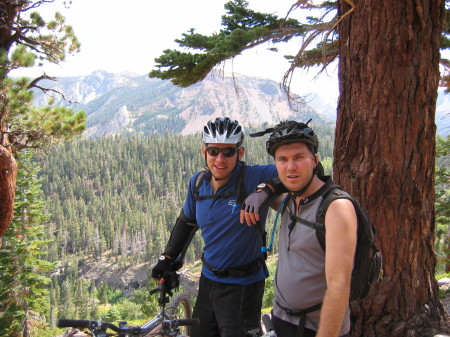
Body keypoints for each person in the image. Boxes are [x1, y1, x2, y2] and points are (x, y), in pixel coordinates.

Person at [151, 117, 277, 337]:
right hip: (209, 281)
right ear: (204, 151)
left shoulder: (252, 176)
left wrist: (264, 192)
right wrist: (168, 258)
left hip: (244, 286)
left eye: (228, 152)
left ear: (240, 152)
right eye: (213, 151)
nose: (220, 159)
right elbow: (187, 221)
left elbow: (298, 172)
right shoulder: (198, 182)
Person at [240, 120, 357, 337]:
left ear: (315, 160)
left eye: (299, 157)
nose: (290, 167)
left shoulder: (336, 207)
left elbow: (339, 288)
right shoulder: (289, 202)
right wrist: (264, 191)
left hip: (317, 328)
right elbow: (272, 189)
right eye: (282, 160)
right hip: (282, 321)